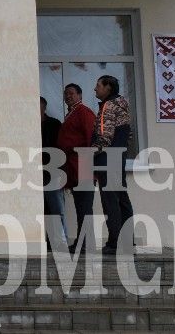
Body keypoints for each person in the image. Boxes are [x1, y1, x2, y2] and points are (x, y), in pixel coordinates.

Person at [93, 75, 134, 254]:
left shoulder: (107, 106)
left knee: (110, 202)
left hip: (107, 159)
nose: (95, 89)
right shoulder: (122, 105)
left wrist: (88, 153)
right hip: (120, 157)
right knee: (122, 200)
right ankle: (128, 240)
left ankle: (115, 243)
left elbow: (104, 137)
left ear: (108, 88)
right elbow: (129, 135)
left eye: (98, 85)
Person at [57, 82, 96, 254]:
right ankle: (82, 242)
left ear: (80, 95)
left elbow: (91, 138)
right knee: (80, 207)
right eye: (66, 94)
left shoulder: (84, 112)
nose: (68, 96)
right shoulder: (71, 113)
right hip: (73, 167)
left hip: (83, 166)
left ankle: (85, 244)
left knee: (84, 208)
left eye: (72, 93)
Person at [40, 97, 66, 249]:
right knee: (43, 208)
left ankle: (59, 241)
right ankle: (49, 240)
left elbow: (60, 147)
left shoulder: (54, 124)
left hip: (53, 171)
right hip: (35, 172)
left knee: (56, 208)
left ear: (44, 108)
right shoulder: (29, 125)